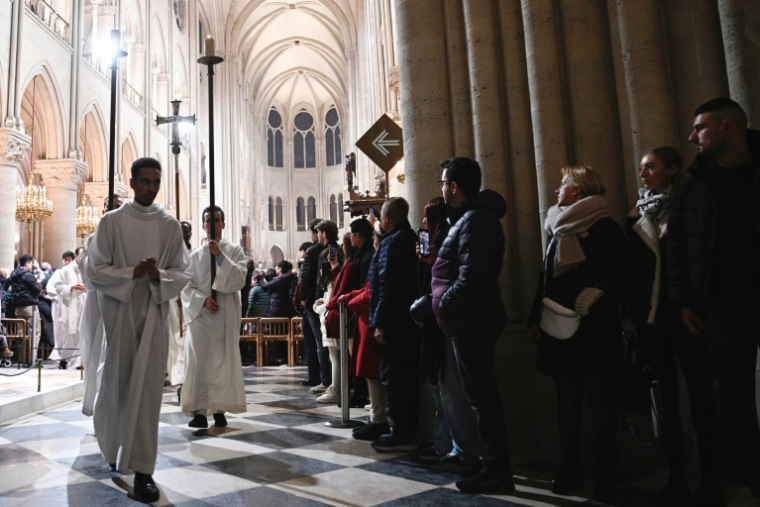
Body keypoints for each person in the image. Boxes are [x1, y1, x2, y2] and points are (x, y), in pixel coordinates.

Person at [668, 98, 760, 502]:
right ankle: (754, 478)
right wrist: (685, 301)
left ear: (727, 128)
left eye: (700, 128)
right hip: (723, 306)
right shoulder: (696, 184)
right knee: (731, 398)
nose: (692, 137)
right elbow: (678, 248)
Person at [86, 158, 190, 502]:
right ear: (131, 183)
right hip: (120, 318)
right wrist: (132, 273)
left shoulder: (169, 226)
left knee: (147, 395)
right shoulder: (111, 223)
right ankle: (113, 447)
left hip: (152, 320)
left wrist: (157, 275)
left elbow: (183, 271)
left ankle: (144, 470)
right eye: (145, 181)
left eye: (155, 181)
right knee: (116, 385)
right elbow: (95, 270)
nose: (151, 187)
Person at [626, 147, 722, 506]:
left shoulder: (689, 205)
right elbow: (634, 272)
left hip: (687, 316)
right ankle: (677, 474)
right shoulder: (636, 214)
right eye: (641, 168)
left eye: (651, 166)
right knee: (665, 401)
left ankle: (711, 478)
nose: (644, 173)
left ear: (672, 169)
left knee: (701, 398)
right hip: (653, 321)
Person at [527, 165, 630, 501]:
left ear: (578, 189)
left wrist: (599, 294)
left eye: (563, 184)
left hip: (595, 327)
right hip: (559, 326)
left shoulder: (604, 227)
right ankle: (569, 469)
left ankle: (607, 475)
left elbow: (623, 274)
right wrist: (534, 318)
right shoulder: (558, 227)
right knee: (566, 401)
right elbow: (546, 277)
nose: (558, 189)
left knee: (601, 403)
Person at [431, 157, 515, 494]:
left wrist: (446, 307)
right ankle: (490, 461)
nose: (441, 188)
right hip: (469, 321)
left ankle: (496, 468)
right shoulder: (470, 219)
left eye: (443, 183)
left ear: (454, 186)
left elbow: (472, 278)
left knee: (482, 398)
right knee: (478, 396)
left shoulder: (476, 221)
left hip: (472, 322)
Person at [414, 197, 484, 468]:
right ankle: (445, 442)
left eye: (425, 216)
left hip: (443, 321)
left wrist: (431, 261)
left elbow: (446, 282)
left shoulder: (446, 243)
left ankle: (463, 447)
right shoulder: (434, 243)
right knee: (440, 387)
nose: (422, 222)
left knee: (450, 389)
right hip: (434, 321)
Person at [182, 206, 247, 428]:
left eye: (216, 220)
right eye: (208, 220)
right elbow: (186, 287)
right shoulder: (194, 256)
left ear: (223, 224)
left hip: (224, 315)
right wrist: (202, 299)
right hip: (201, 315)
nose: (212, 224)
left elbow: (239, 280)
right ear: (203, 225)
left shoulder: (235, 251)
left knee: (222, 362)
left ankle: (219, 408)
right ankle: (199, 412)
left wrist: (220, 256)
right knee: (200, 363)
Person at [369, 197, 422, 452]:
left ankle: (400, 431)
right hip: (408, 320)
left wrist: (379, 323)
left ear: (387, 218)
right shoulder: (410, 237)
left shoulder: (391, 242)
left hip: (394, 323)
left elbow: (386, 286)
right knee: (407, 378)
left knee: (395, 379)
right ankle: (406, 429)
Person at [79, 193, 124, 418]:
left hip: (121, 304)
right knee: (95, 353)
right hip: (97, 303)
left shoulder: (128, 241)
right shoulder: (92, 240)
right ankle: (99, 407)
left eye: (118, 207)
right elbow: (88, 276)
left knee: (116, 356)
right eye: (110, 207)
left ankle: (114, 408)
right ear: (103, 211)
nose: (113, 211)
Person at [345, 228, 389, 440]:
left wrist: (352, 301)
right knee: (372, 375)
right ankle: (376, 416)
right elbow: (368, 288)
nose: (372, 242)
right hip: (367, 320)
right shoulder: (377, 257)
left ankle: (379, 419)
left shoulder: (380, 257)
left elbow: (373, 292)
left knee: (374, 374)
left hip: (372, 321)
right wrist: (352, 296)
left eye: (374, 239)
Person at [314, 232, 359, 403]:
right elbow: (340, 281)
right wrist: (334, 267)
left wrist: (324, 308)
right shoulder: (346, 266)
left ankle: (339, 390)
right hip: (335, 315)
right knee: (336, 357)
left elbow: (341, 292)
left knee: (339, 358)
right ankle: (339, 389)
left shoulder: (351, 266)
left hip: (339, 316)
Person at [299, 219, 329, 387]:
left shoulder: (312, 251)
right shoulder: (330, 248)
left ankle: (316, 376)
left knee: (314, 341)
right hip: (324, 298)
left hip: (312, 300)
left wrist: (302, 297)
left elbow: (307, 277)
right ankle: (325, 377)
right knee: (323, 340)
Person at [47, 247, 86, 369]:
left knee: (82, 332)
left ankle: (80, 361)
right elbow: (54, 288)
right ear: (76, 256)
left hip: (84, 305)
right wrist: (71, 287)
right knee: (69, 333)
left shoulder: (88, 270)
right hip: (68, 306)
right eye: (82, 255)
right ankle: (66, 360)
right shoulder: (64, 270)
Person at [10, 254, 42, 359]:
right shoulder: (28, 275)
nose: (32, 266)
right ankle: (32, 359)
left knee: (21, 335)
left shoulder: (13, 274)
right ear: (27, 263)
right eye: (32, 263)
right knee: (35, 332)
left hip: (18, 308)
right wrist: (39, 282)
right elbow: (37, 289)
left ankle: (21, 359)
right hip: (30, 307)